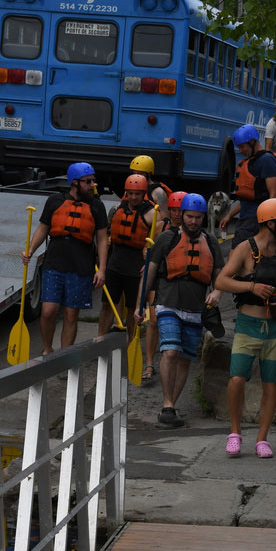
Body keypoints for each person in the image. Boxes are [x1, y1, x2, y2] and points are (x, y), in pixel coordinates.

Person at [215, 198, 276, 458]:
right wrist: (251, 287)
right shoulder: (245, 249)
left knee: (271, 383)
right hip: (247, 324)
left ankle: (262, 439)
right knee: (237, 378)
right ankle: (235, 433)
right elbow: (221, 280)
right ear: (270, 223)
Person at [136, 193, 223, 428]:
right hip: (167, 301)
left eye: (198, 217)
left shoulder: (211, 242)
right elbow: (149, 273)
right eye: (189, 216)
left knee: (184, 359)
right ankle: (167, 404)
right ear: (182, 215)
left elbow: (219, 276)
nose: (193, 221)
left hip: (195, 307)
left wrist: (217, 292)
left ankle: (170, 407)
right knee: (171, 351)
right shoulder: (167, 238)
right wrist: (139, 305)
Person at [22, 161, 108, 354]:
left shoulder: (97, 206)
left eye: (93, 181)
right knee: (48, 311)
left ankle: (63, 356)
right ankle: (47, 350)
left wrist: (101, 269)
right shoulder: (55, 201)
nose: (92, 185)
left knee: (71, 315)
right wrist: (30, 250)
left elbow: (102, 239)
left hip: (81, 265)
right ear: (75, 182)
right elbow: (43, 228)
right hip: (55, 261)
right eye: (87, 181)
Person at [98, 173, 156, 344]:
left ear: (144, 193)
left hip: (136, 266)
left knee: (132, 308)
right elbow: (106, 234)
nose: (133, 197)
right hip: (115, 263)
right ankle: (100, 340)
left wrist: (149, 258)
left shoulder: (152, 214)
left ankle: (130, 343)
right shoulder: (117, 209)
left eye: (137, 194)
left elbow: (158, 241)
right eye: (130, 193)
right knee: (108, 303)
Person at [218, 124, 276, 248]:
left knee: (237, 253)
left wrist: (267, 224)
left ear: (252, 142)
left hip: (256, 221)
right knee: (242, 255)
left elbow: (273, 196)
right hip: (246, 219)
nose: (240, 151)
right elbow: (248, 199)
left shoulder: (266, 160)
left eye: (242, 147)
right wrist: (229, 215)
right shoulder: (252, 161)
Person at [142, 189, 185, 384]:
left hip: (177, 281)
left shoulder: (192, 231)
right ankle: (149, 363)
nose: (177, 214)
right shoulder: (160, 226)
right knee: (153, 320)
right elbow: (146, 248)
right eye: (174, 210)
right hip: (158, 278)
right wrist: (147, 256)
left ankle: (171, 356)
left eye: (180, 210)